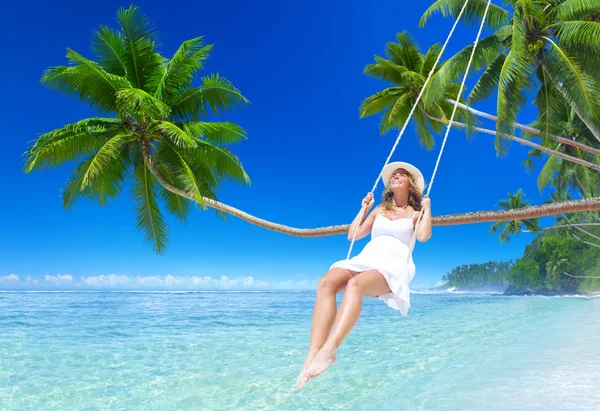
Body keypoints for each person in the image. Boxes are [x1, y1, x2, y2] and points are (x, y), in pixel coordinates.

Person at [296, 161, 432, 388]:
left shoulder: (416, 213)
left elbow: (424, 236)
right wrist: (364, 208)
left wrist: (428, 209)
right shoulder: (380, 209)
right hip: (368, 258)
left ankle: (330, 350)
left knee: (355, 285)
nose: (396, 176)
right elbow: (353, 235)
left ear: (411, 184)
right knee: (326, 282)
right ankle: (312, 354)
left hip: (394, 264)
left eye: (401, 175)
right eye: (394, 175)